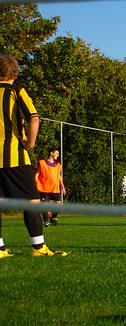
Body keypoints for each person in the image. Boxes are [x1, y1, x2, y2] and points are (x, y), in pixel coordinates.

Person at [0, 55, 67, 258]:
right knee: (31, 203)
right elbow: (34, 117)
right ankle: (38, 248)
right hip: (14, 157)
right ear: (15, 73)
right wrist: (30, 143)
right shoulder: (16, 91)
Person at [36, 147, 66, 227]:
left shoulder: (58, 165)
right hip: (44, 188)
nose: (58, 155)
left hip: (55, 188)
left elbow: (59, 176)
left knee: (59, 205)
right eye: (57, 153)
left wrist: (63, 187)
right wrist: (35, 185)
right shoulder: (42, 163)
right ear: (51, 153)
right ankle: (46, 221)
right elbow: (37, 174)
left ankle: (53, 218)